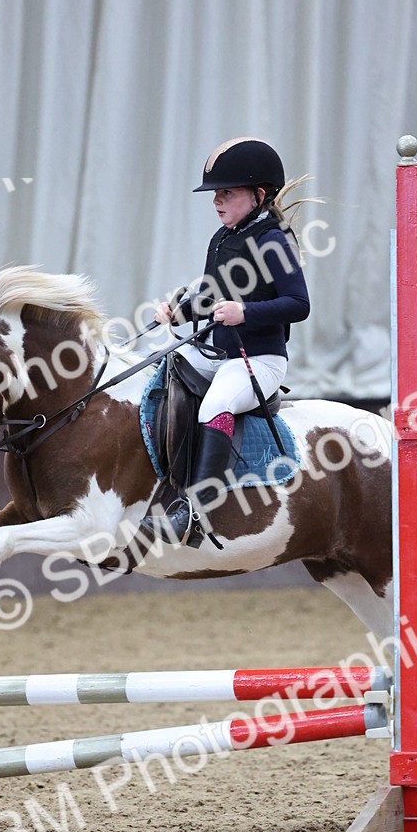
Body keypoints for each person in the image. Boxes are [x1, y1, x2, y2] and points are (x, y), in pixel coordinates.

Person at [140, 137, 311, 547]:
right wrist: (178, 312)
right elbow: (210, 297)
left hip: (259, 360)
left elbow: (299, 304)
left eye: (226, 193)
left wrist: (246, 313)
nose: (217, 201)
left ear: (259, 195)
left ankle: (194, 512)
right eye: (216, 194)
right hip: (216, 353)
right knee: (158, 371)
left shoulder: (275, 241)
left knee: (216, 404)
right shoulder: (222, 238)